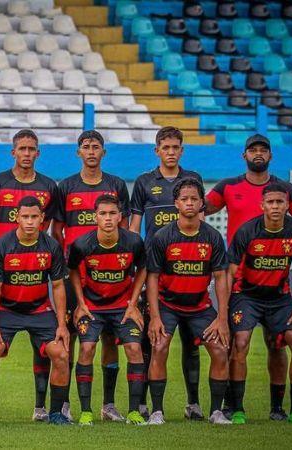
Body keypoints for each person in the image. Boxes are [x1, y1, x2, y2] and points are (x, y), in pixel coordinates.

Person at [205, 133, 292, 421]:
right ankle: (234, 406)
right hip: (241, 280)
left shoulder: (284, 189)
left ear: (270, 156)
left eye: (263, 150)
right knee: (238, 343)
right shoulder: (228, 186)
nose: (258, 153)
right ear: (244, 155)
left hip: (275, 284)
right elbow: (198, 208)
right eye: (252, 149)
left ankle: (280, 409)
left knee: (278, 344)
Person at [51, 130, 130, 422]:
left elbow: (125, 228)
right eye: (86, 147)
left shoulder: (116, 185)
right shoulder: (66, 186)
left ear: (103, 152)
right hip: (75, 274)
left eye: (96, 146)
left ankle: (108, 405)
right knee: (70, 336)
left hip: (110, 273)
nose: (91, 151)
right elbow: (57, 230)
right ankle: (65, 404)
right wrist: (69, 259)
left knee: (109, 336)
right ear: (79, 152)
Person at [0, 129, 59, 422]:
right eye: (22, 149)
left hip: (36, 272)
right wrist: (4, 251)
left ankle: (42, 408)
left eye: (31, 149)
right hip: (4, 271)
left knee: (45, 346)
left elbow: (48, 226)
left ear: (38, 153)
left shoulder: (49, 186)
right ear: (13, 152)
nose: (26, 153)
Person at [129, 126, 205, 420]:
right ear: (157, 150)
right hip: (154, 272)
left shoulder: (193, 180)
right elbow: (134, 228)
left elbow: (200, 223)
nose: (171, 152)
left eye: (175, 147)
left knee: (191, 341)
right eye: (166, 147)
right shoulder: (144, 182)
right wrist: (135, 266)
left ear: (182, 150)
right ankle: (144, 403)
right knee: (151, 338)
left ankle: (193, 403)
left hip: (188, 270)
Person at [144, 179, 231, 425]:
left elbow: (221, 278)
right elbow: (152, 278)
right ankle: (157, 412)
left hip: (200, 307)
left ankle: (216, 412)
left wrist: (222, 318)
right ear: (176, 203)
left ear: (202, 203)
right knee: (159, 346)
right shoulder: (163, 236)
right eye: (184, 199)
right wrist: (155, 317)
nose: (189, 203)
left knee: (220, 350)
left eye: (194, 199)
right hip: (168, 306)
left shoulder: (212, 237)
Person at [226, 183, 292, 425]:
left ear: (287, 205)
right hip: (246, 296)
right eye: (271, 202)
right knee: (240, 342)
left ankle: (291, 410)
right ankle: (237, 409)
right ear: (262, 205)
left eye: (280, 202)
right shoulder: (247, 231)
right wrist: (224, 310)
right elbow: (230, 272)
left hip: (279, 299)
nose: (275, 206)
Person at [0, 196, 72, 426]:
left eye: (34, 217)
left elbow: (58, 286)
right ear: (16, 218)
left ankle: (56, 414)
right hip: (7, 310)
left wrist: (62, 324)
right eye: (25, 217)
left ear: (42, 218)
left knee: (61, 354)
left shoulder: (51, 246)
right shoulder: (2, 245)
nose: (30, 221)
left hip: (40, 309)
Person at [68, 195, 148, 426]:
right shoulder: (82, 244)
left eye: (113, 213)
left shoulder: (133, 242)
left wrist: (133, 303)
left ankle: (133, 412)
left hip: (122, 307)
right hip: (92, 308)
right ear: (95, 217)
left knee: (134, 348)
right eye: (103, 214)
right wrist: (81, 302)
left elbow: (143, 269)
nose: (108, 218)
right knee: (86, 348)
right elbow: (72, 270)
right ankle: (86, 412)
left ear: (120, 216)